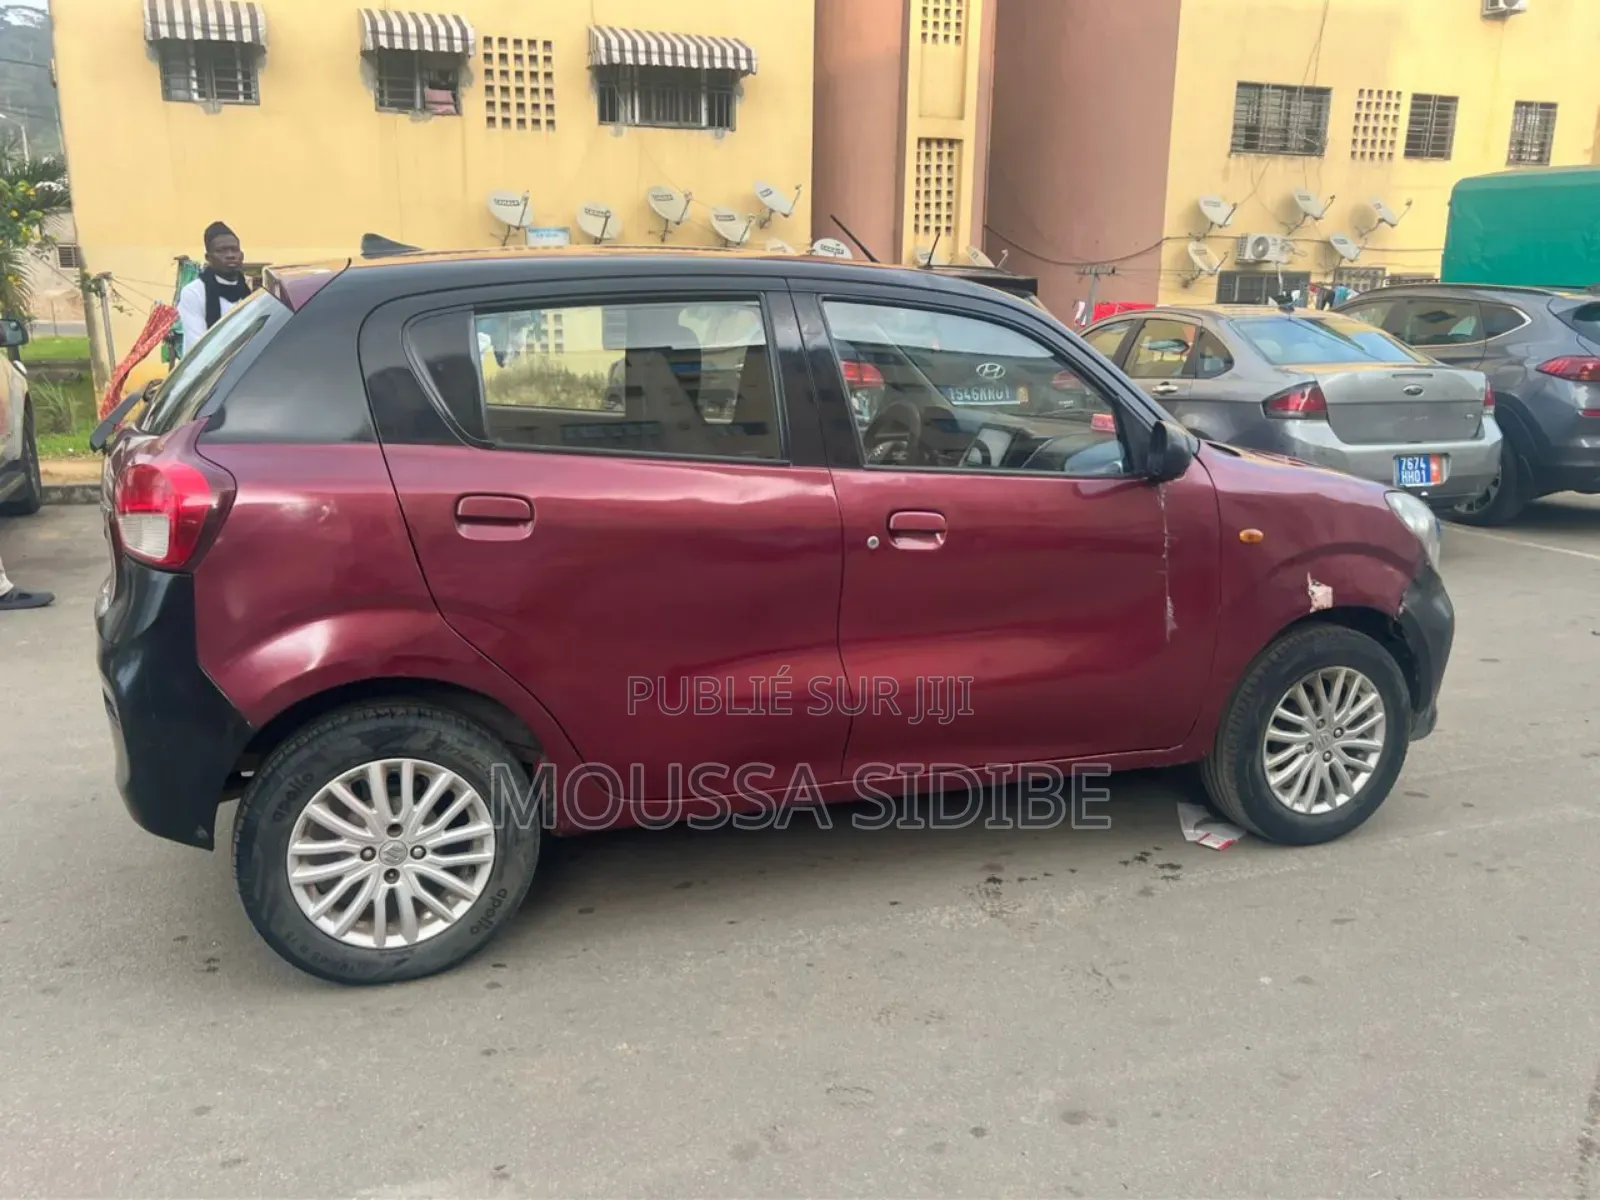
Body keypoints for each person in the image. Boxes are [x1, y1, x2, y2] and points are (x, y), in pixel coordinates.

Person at [177, 221, 253, 355]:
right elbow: (198, 346)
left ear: (242, 254)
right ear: (208, 258)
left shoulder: (252, 293)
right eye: (221, 251)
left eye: (234, 249)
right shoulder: (194, 292)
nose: (230, 255)